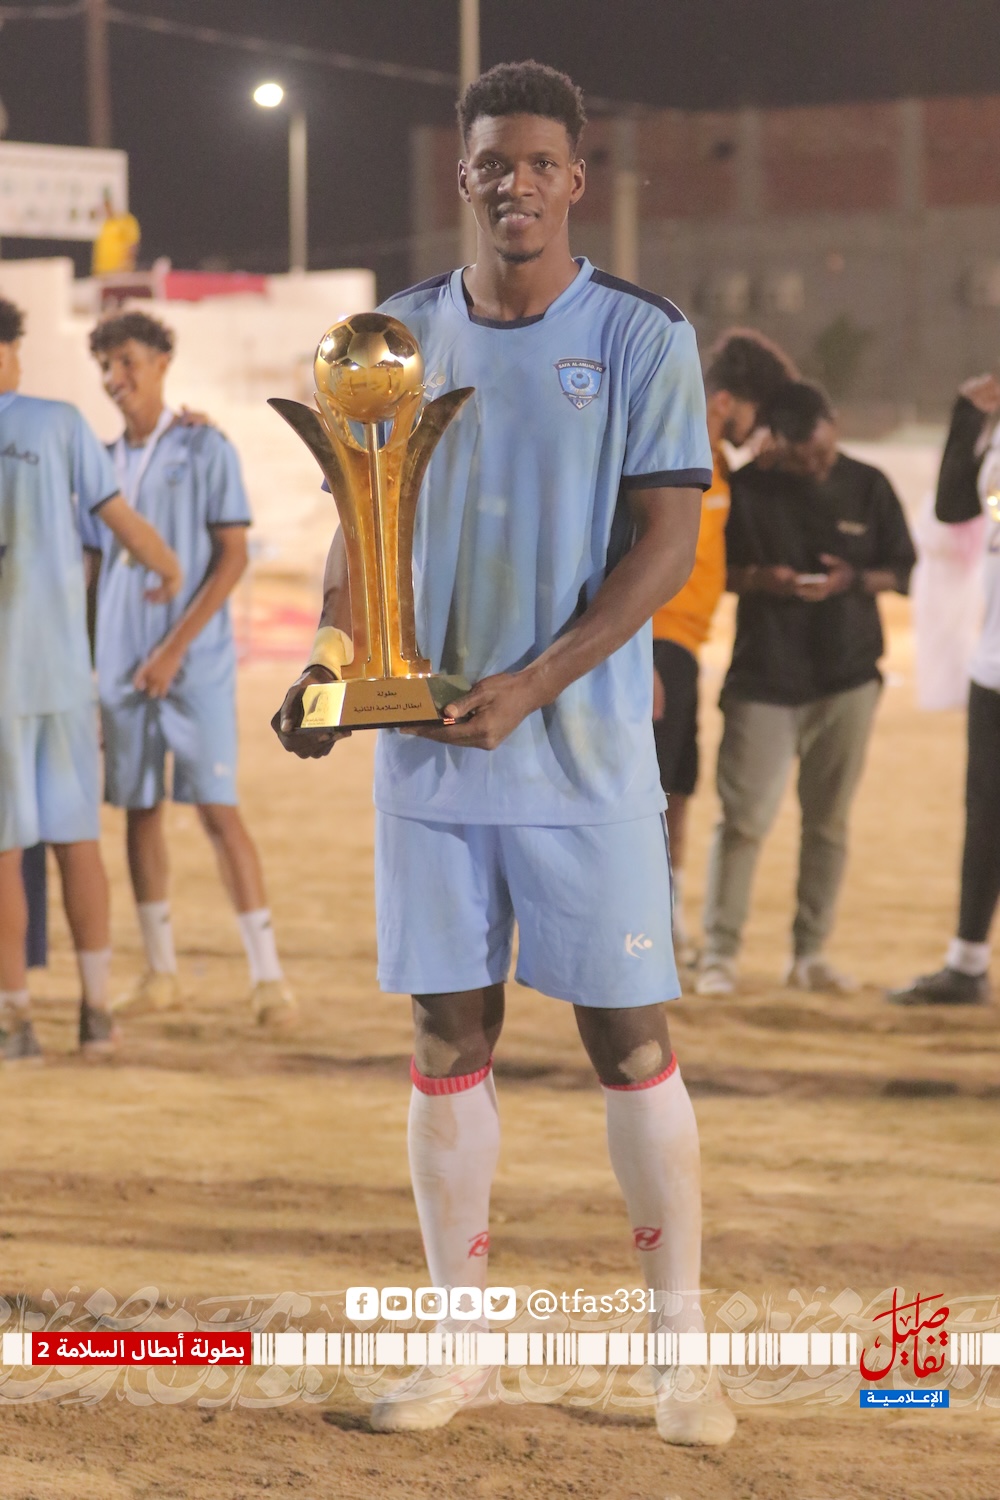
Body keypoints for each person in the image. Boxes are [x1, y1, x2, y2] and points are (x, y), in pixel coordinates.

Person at [276, 60, 735, 1446]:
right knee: (444, 1037)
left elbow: (664, 546)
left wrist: (535, 683)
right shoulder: (395, 336)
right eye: (492, 162)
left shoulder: (644, 335)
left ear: (576, 178)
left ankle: (680, 1356)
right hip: (430, 763)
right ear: (462, 174)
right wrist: (334, 663)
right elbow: (359, 535)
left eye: (540, 163)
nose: (515, 184)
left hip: (582, 752)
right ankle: (460, 1351)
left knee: (627, 1038)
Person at [83, 311, 294, 1025]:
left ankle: (268, 979)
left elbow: (232, 556)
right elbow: (91, 573)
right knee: (138, 809)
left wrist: (174, 648)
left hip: (194, 663)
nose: (115, 377)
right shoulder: (99, 461)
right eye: (105, 366)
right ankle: (160, 972)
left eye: (127, 361)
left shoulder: (207, 445)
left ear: (162, 362)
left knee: (216, 809)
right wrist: (93, 670)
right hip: (122, 667)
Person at [0, 296, 181, 1062]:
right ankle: (97, 1012)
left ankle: (15, 1023)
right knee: (77, 842)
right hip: (64, 676)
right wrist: (168, 568)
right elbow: (119, 520)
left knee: (5, 855)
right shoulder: (61, 422)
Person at [696, 380, 917, 997]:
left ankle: (810, 955)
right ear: (776, 443)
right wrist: (759, 579)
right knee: (743, 821)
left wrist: (852, 580)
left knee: (829, 825)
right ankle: (719, 955)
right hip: (764, 677)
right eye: (802, 458)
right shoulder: (748, 488)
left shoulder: (869, 484)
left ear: (833, 423)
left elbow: (903, 569)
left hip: (848, 679)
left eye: (822, 451)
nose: (816, 465)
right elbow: (712, 570)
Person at [652, 330, 794, 961]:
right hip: (654, 642)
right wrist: (635, 652)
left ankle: (666, 913)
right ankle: (644, 919)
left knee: (678, 784)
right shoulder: (666, 450)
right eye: (756, 413)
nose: (760, 427)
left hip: (685, 645)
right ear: (726, 402)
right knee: (651, 790)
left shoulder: (716, 463)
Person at [889, 373, 1000, 1005]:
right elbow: (956, 508)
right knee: (984, 815)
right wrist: (966, 420)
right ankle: (967, 962)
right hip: (993, 661)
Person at [91, 190, 141, 277]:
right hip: (102, 271)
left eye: (108, 205)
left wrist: (126, 266)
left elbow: (132, 244)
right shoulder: (106, 223)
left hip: (119, 271)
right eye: (105, 206)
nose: (106, 208)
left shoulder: (126, 220)